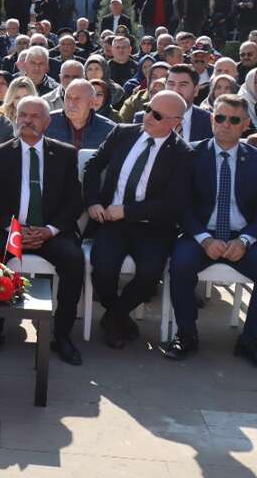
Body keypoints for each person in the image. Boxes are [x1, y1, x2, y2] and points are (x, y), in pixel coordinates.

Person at [161, 94, 257, 370]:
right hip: (201, 234)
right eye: (219, 117)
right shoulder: (191, 154)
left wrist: (245, 240)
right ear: (211, 118)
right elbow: (182, 206)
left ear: (246, 124)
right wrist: (204, 239)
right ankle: (187, 334)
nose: (225, 124)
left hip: (243, 237)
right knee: (180, 264)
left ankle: (250, 340)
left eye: (234, 120)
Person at [83, 91, 193, 349]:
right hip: (111, 221)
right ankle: (119, 317)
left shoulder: (183, 154)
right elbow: (92, 167)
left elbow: (172, 203)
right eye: (147, 109)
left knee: (149, 274)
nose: (147, 117)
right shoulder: (123, 133)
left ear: (175, 122)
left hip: (151, 227)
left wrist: (129, 211)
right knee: (104, 268)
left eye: (156, 115)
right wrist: (93, 202)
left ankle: (114, 317)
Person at [0, 96, 86, 364]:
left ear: (48, 121)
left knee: (74, 261)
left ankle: (61, 335)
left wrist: (50, 230)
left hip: (51, 231)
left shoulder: (64, 153)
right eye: (22, 115)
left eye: (34, 116)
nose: (27, 121)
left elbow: (74, 200)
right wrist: (13, 228)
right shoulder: (0, 153)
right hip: (12, 229)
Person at [46, 80, 116, 150]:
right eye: (68, 97)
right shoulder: (47, 123)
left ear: (92, 103)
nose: (71, 104)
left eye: (77, 99)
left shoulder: (109, 131)